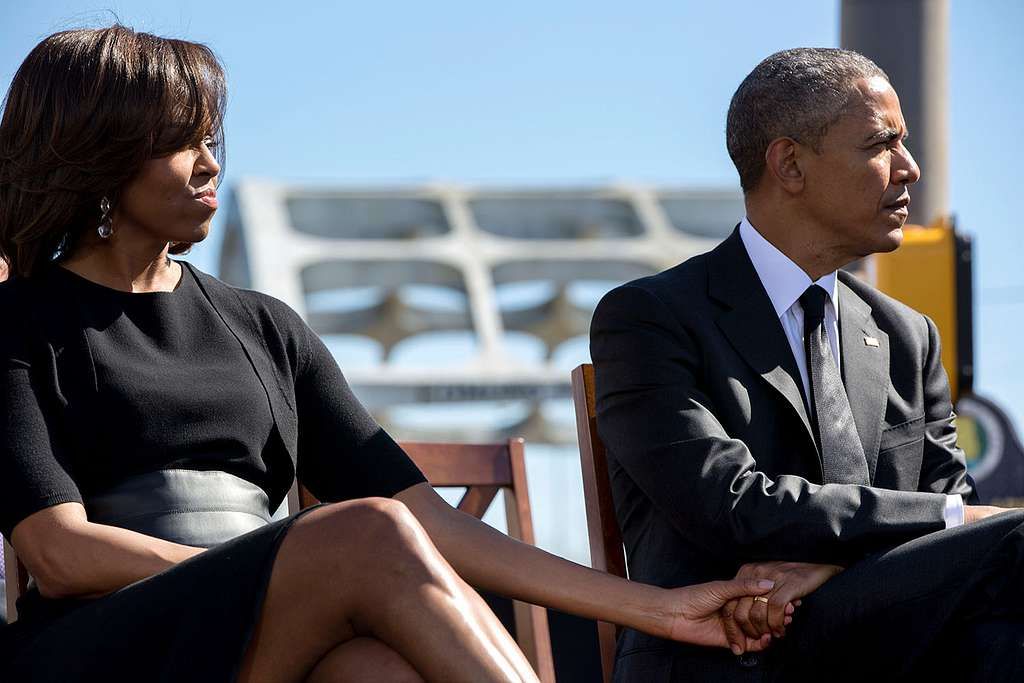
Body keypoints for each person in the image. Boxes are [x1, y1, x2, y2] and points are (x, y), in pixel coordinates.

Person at [0, 25, 796, 683]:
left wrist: (655, 605)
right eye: (179, 142)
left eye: (212, 138)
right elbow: (60, 553)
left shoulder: (263, 325)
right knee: (362, 535)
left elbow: (429, 525)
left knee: (382, 669)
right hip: (99, 647)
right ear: (99, 157)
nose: (211, 164)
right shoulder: (17, 321)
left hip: (257, 637)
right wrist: (280, 566)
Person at [591, 47, 1024, 682]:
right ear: (789, 164)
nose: (910, 168)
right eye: (882, 144)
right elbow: (732, 508)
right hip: (731, 652)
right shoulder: (651, 317)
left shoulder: (907, 337)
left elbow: (950, 533)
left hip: (899, 647)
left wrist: (836, 566)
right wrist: (962, 520)